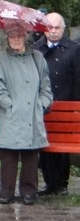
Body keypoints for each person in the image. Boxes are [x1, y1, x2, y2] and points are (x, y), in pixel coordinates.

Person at [0, 21, 53, 205]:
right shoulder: (1, 58)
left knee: (31, 154)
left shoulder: (37, 58)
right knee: (8, 155)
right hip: (10, 114)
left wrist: (40, 104)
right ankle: (6, 192)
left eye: (19, 35)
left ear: (25, 36)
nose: (16, 38)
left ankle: (29, 192)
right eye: (12, 35)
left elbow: (46, 87)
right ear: (7, 38)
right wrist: (10, 105)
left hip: (32, 114)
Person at [32, 12, 79, 195]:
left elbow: (77, 78)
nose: (53, 31)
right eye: (49, 28)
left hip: (67, 103)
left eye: (57, 28)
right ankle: (50, 184)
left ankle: (62, 184)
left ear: (63, 29)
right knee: (45, 147)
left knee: (62, 150)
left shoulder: (74, 49)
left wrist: (76, 106)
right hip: (44, 106)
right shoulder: (36, 49)